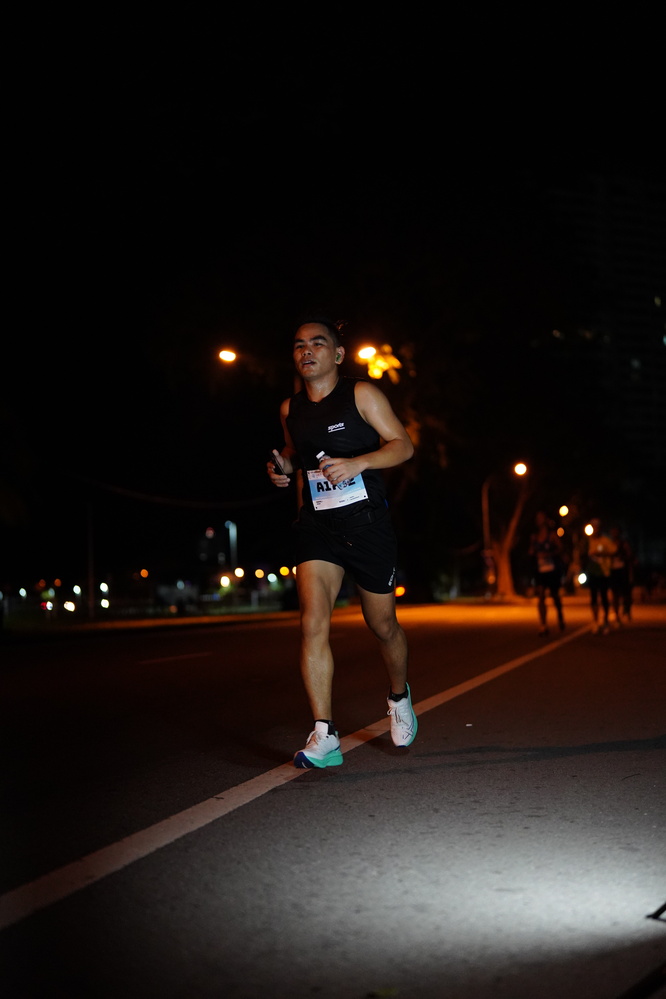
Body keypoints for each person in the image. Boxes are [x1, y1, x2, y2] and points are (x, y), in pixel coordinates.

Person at [267, 318, 417, 768]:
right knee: (313, 623)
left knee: (383, 625)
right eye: (299, 345)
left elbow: (403, 445)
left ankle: (399, 697)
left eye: (317, 343)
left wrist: (359, 463)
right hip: (318, 526)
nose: (306, 351)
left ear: (336, 354)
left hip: (367, 524)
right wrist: (282, 468)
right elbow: (294, 453)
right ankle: (325, 734)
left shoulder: (362, 394)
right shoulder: (290, 408)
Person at [528, 511, 565, 635]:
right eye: (537, 518)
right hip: (540, 571)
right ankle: (543, 624)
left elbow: (560, 548)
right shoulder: (534, 537)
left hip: (552, 570)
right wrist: (533, 552)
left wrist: (548, 554)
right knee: (541, 596)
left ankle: (560, 615)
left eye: (541, 518)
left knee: (555, 595)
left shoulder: (552, 535)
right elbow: (531, 552)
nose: (539, 520)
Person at [583, 519, 616, 635]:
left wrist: (601, 553)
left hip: (603, 572)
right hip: (592, 571)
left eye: (596, 527)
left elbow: (614, 551)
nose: (595, 529)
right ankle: (595, 621)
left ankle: (606, 621)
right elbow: (584, 553)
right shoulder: (588, 540)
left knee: (604, 596)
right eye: (593, 527)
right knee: (593, 597)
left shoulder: (605, 540)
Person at [609, 526, 634, 624]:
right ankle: (617, 615)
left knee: (625, 593)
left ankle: (627, 610)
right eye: (612, 532)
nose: (614, 534)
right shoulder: (609, 543)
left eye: (616, 532)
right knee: (614, 594)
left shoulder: (624, 543)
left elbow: (630, 556)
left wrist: (623, 557)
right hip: (613, 571)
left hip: (623, 571)